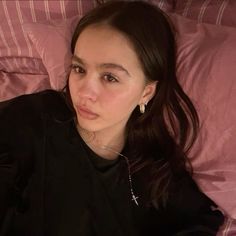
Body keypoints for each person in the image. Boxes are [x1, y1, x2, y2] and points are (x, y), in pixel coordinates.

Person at [0, 1, 224, 235]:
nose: (85, 92)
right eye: (79, 69)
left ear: (146, 92)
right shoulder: (34, 119)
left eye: (109, 77)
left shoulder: (156, 173)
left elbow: (200, 221)